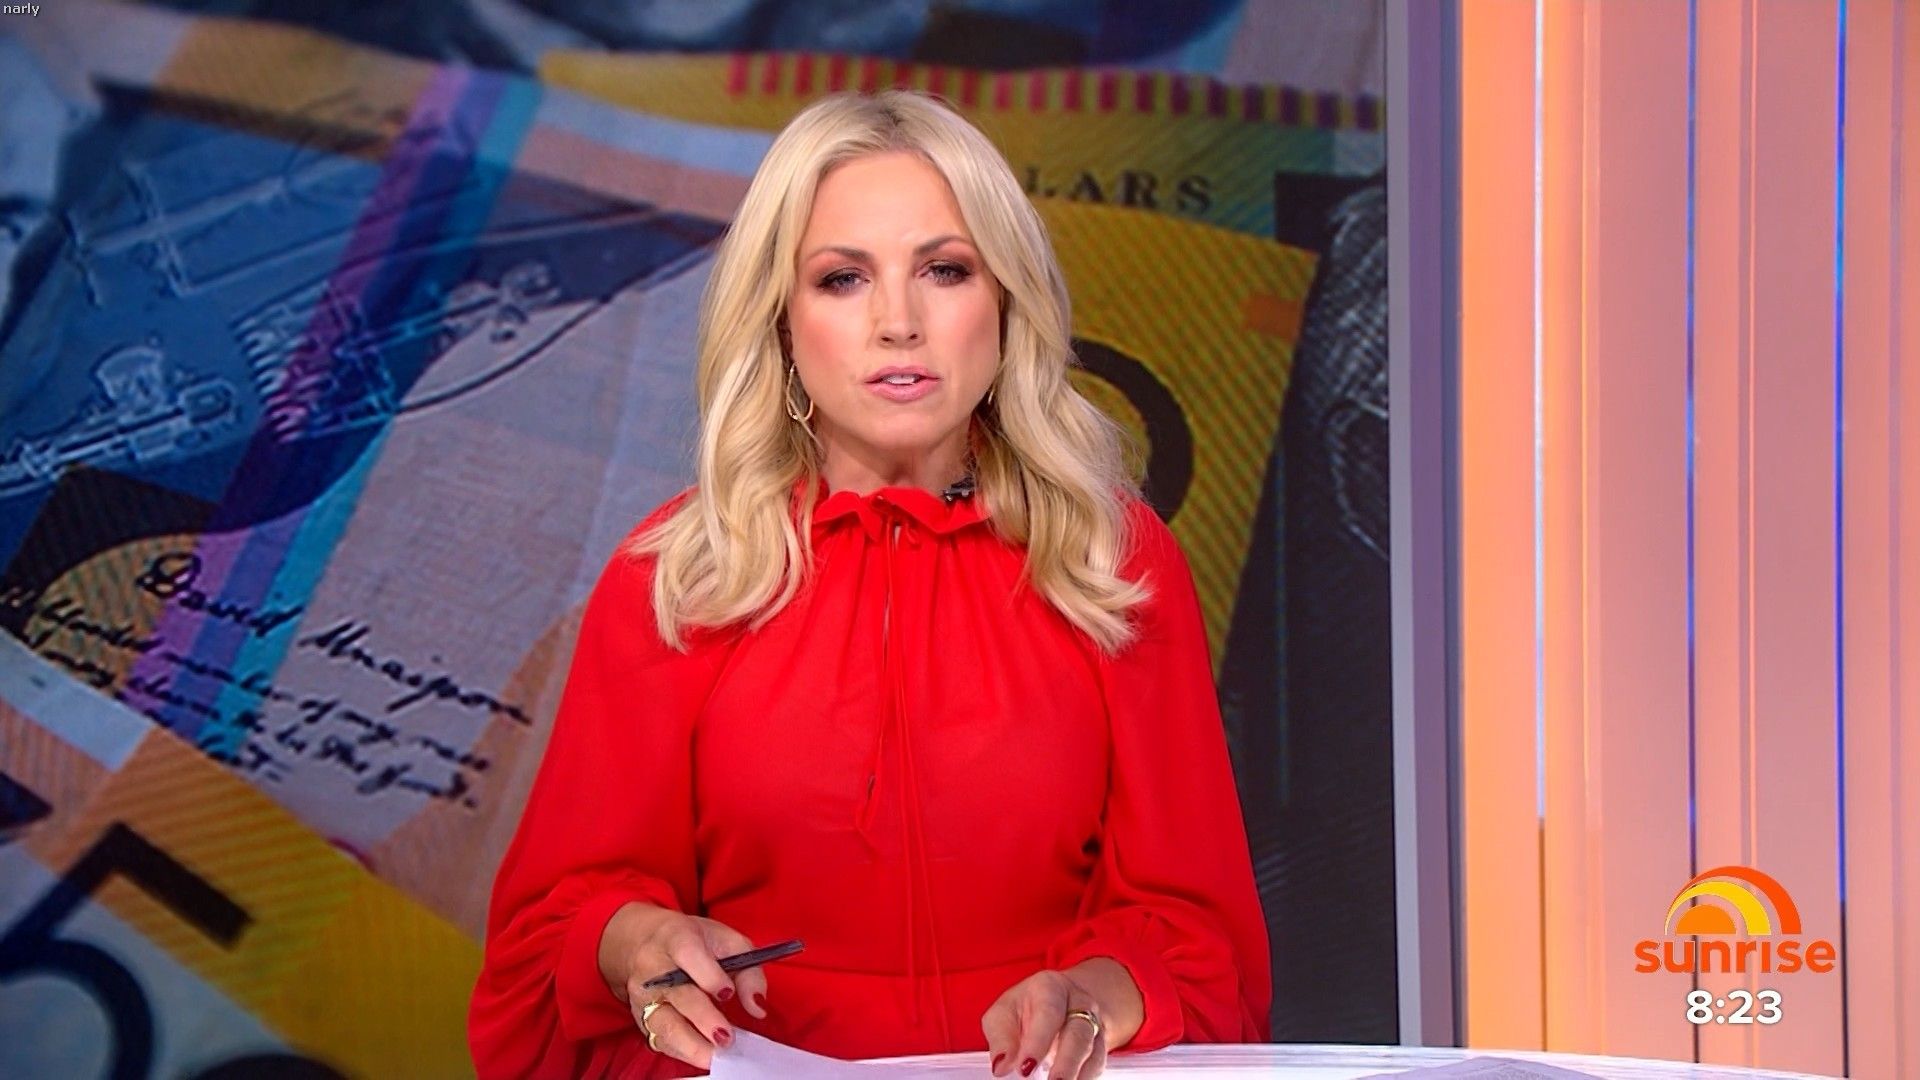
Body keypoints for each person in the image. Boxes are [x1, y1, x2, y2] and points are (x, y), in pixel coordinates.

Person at [468, 89, 1271, 1080]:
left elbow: (1201, 938)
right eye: (843, 279)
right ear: (781, 320)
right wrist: (639, 945)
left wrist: (1095, 1000)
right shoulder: (677, 576)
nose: (899, 322)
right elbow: (551, 928)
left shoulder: (1111, 562)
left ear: (1005, 302)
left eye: (945, 270)